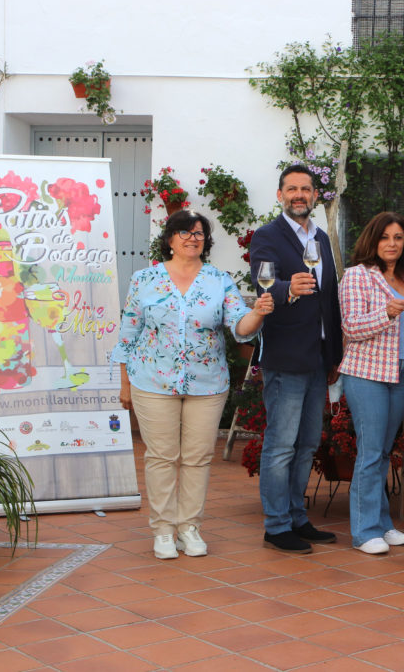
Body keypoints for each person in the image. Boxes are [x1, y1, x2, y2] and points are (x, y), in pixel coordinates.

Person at [114, 210, 273, 560]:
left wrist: (258, 312)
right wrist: (124, 384)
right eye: (184, 232)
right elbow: (128, 334)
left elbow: (239, 327)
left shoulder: (220, 281)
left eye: (199, 233)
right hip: (152, 380)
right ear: (170, 239)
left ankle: (189, 527)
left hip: (207, 382)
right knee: (161, 456)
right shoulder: (144, 280)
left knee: (198, 457)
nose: (192, 237)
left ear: (206, 240)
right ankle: (163, 531)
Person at [249, 164, 343, 554]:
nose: (299, 195)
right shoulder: (267, 236)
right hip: (286, 356)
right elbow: (263, 278)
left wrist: (335, 352)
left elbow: (330, 297)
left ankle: (297, 517)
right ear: (280, 195)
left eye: (306, 189)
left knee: (306, 444)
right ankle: (276, 525)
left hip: (318, 357)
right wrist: (289, 288)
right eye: (292, 189)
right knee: (281, 445)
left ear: (314, 195)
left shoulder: (320, 237)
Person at [339, 212, 404, 554]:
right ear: (373, 240)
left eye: (398, 237)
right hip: (366, 374)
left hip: (401, 373)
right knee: (371, 451)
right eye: (385, 237)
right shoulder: (357, 276)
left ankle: (382, 524)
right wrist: (386, 313)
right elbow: (351, 327)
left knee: (383, 452)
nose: (392, 244)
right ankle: (364, 532)